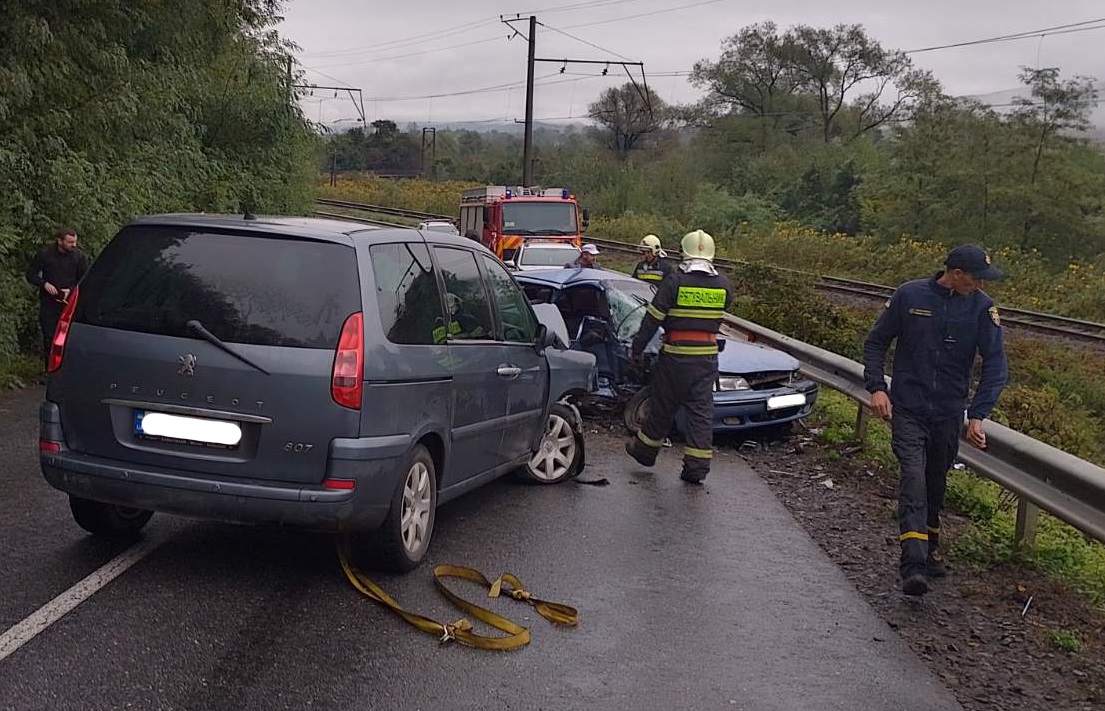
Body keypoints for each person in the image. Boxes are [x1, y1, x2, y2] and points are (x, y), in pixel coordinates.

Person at [863, 244, 1008, 597]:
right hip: (908, 408)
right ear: (956, 274)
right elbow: (876, 343)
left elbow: (996, 365)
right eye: (975, 278)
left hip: (947, 413)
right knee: (913, 478)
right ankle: (912, 565)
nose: (980, 284)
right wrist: (878, 388)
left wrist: (977, 414)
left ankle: (928, 552)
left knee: (934, 483)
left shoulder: (982, 309)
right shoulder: (909, 295)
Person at [624, 229, 733, 484]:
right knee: (700, 413)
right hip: (706, 359)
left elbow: (652, 319)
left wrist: (637, 348)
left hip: (675, 357)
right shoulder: (724, 285)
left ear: (684, 253)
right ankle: (696, 469)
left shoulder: (675, 281)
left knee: (662, 405)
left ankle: (645, 453)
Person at [25, 227, 89, 365]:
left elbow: (84, 280)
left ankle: (67, 367)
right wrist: (44, 284)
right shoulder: (45, 254)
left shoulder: (78, 257)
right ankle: (49, 369)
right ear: (60, 241)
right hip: (49, 302)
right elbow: (30, 274)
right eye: (70, 242)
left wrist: (70, 291)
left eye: (75, 242)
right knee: (49, 337)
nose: (74, 245)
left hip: (69, 303)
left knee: (68, 337)